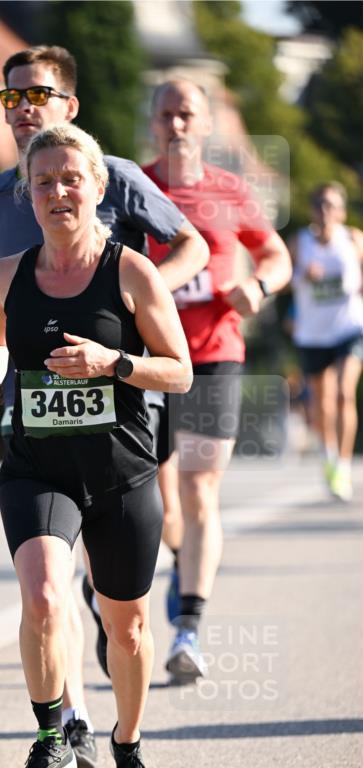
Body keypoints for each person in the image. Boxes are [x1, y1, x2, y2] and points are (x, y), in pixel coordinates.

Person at [0, 45, 208, 768]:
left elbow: (193, 245)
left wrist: (135, 303)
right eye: (10, 99)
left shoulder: (121, 180)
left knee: (126, 594)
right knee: (44, 594)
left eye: (37, 95)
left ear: (67, 105)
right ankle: (65, 726)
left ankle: (125, 644)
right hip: (38, 434)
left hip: (123, 416)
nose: (23, 109)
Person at [143, 79, 292, 681]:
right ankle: (181, 562)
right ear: (153, 122)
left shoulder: (231, 191)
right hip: (150, 358)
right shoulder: (133, 185)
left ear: (205, 125)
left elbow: (276, 254)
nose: (177, 125)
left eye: (187, 115)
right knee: (160, 500)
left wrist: (258, 285)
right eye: (167, 115)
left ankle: (188, 629)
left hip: (214, 355)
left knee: (201, 488)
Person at [291, 182, 363, 502]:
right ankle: (329, 457)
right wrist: (302, 277)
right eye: (320, 204)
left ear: (342, 211)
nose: (325, 211)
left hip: (349, 329)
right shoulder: (299, 243)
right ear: (312, 209)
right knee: (323, 402)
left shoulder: (354, 239)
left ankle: (344, 466)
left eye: (331, 205)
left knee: (345, 393)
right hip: (312, 333)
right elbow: (283, 279)